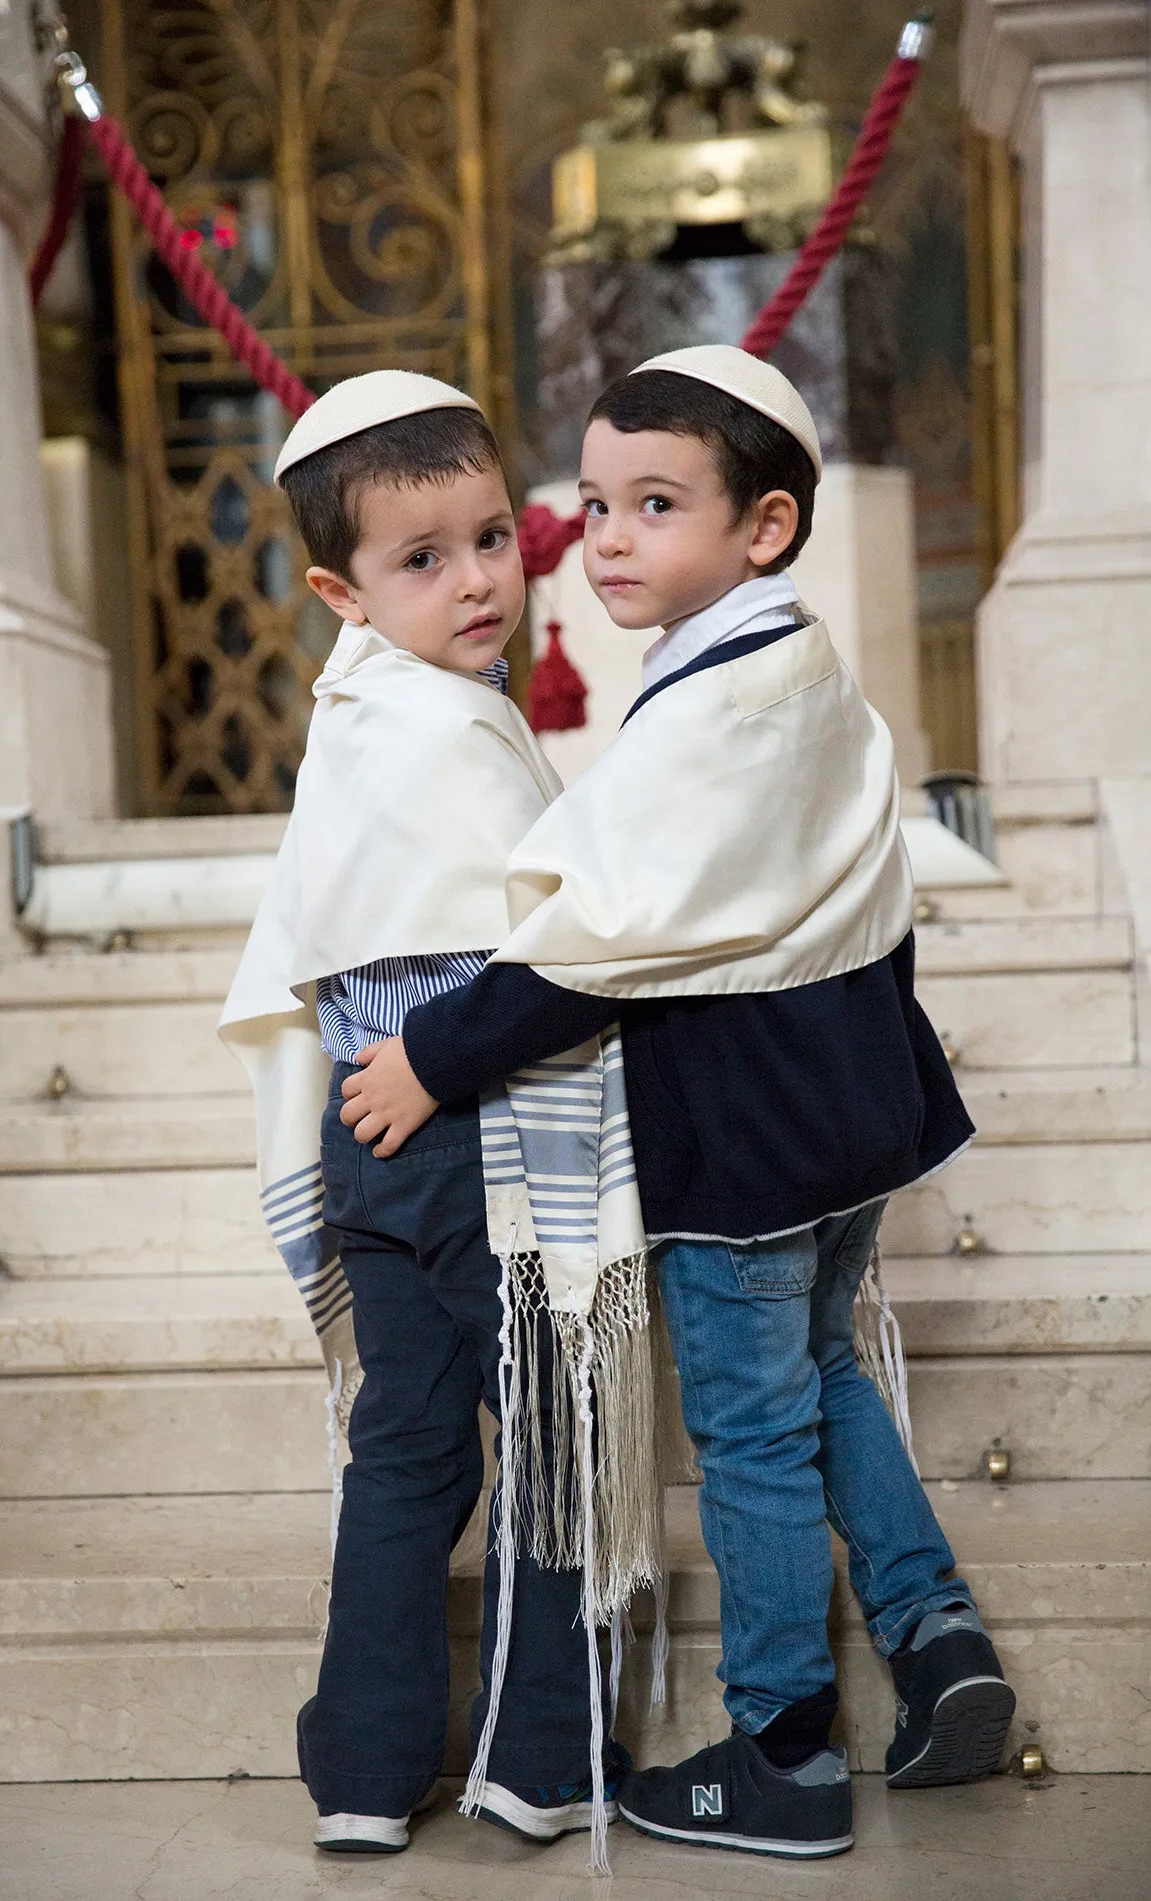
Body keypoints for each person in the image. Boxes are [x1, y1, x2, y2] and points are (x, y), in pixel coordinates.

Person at [338, 345, 1016, 1861]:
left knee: (756, 1428)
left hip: (752, 1133)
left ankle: (780, 1746)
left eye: (656, 504)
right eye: (593, 505)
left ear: (763, 527)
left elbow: (604, 942)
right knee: (832, 1378)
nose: (611, 539)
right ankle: (938, 1638)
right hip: (856, 1101)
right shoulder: (803, 665)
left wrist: (433, 1055)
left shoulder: (713, 705)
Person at [218, 370, 659, 1868]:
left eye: (489, 536)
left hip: (367, 1143)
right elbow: (531, 955)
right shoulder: (436, 729)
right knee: (542, 1433)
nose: (478, 579)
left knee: (406, 1448)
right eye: (425, 560)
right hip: (472, 1127)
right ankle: (542, 1755)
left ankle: (362, 1760)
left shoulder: (350, 722)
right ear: (342, 590)